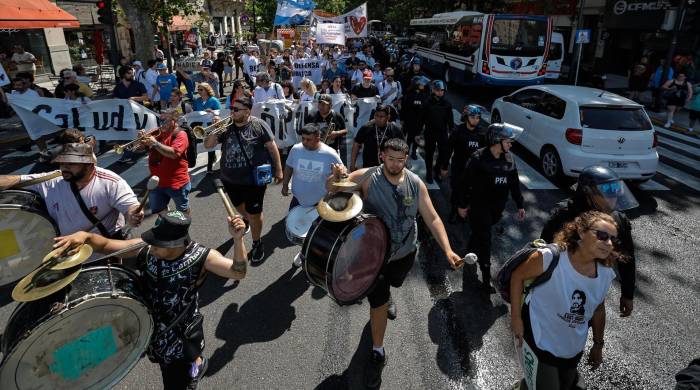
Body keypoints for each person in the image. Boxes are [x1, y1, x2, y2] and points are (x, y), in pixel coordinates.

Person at [53, 210, 248, 390]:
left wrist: (238, 240)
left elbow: (238, 272)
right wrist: (85, 236)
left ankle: (192, 372)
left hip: (178, 337)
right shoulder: (147, 249)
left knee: (175, 380)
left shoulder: (203, 257)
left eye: (158, 244)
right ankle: (196, 363)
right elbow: (105, 245)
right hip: (152, 331)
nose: (151, 246)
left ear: (175, 244)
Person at [327, 138, 463, 388]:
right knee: (378, 298)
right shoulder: (367, 176)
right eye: (390, 159)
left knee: (393, 285)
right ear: (381, 156)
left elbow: (432, 218)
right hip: (373, 256)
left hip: (405, 253)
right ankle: (378, 350)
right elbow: (335, 191)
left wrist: (448, 250)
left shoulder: (415, 183)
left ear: (406, 159)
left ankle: (387, 296)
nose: (395, 164)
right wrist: (335, 178)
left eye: (400, 160)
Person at [511, 211, 622, 390]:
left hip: (572, 349)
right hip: (540, 340)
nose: (608, 243)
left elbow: (598, 309)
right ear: (580, 232)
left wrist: (598, 345)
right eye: (602, 235)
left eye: (613, 240)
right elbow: (517, 276)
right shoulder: (549, 257)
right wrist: (516, 319)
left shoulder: (605, 274)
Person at [540, 165, 639, 317]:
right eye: (607, 191)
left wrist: (628, 294)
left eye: (615, 190)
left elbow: (627, 258)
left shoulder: (617, 220)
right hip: (560, 284)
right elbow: (543, 253)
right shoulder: (564, 214)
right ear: (588, 193)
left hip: (592, 285)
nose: (613, 197)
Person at [0, 143, 143, 239]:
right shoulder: (52, 180)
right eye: (62, 163)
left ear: (89, 165)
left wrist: (132, 214)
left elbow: (130, 206)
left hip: (104, 252)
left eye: (71, 164)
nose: (64, 168)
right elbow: (16, 180)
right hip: (66, 253)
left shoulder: (110, 182)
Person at [203, 96, 283, 263]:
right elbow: (208, 145)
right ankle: (248, 220)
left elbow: (271, 146)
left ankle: (256, 242)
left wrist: (278, 170)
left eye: (236, 109)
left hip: (254, 181)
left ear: (247, 112)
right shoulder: (226, 127)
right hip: (230, 179)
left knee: (254, 213)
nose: (232, 112)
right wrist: (215, 128)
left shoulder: (259, 125)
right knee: (240, 208)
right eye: (232, 108)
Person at [457, 123, 526, 288]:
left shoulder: (509, 159)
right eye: (508, 141)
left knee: (479, 234)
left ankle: (469, 252)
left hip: (497, 209)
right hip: (480, 207)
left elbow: (514, 184)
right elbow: (464, 184)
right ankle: (486, 279)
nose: (511, 144)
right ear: (496, 140)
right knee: (486, 240)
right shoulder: (477, 158)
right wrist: (461, 205)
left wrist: (520, 204)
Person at [282, 123, 342, 267]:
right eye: (303, 138)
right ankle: (303, 251)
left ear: (318, 137)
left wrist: (338, 174)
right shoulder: (296, 149)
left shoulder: (330, 154)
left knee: (317, 235)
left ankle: (310, 256)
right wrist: (285, 184)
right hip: (298, 200)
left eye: (309, 139)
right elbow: (289, 166)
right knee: (300, 230)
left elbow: (342, 174)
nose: (304, 142)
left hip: (320, 203)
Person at [141, 109, 191, 214]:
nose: (161, 124)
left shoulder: (181, 134)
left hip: (176, 182)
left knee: (183, 210)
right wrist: (141, 141)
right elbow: (140, 149)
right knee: (159, 210)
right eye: (160, 120)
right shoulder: (156, 132)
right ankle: (165, 224)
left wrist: (155, 144)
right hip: (156, 182)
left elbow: (173, 154)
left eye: (165, 121)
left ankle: (184, 227)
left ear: (174, 120)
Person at [443, 104, 487, 222]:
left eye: (478, 118)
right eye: (473, 117)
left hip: (474, 171)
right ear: (466, 117)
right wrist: (444, 166)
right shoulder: (457, 131)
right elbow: (449, 149)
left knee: (469, 192)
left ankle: (463, 211)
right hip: (458, 167)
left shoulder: (482, 134)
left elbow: (486, 152)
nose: (475, 120)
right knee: (456, 190)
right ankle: (454, 210)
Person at [351, 104, 404, 171]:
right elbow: (356, 144)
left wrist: (402, 164)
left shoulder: (395, 129)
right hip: (369, 168)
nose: (378, 119)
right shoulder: (366, 128)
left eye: (381, 117)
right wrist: (352, 164)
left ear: (388, 117)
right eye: (376, 115)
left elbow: (403, 148)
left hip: (388, 168)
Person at [421, 80, 453, 183]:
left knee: (443, 153)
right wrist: (419, 132)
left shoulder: (447, 104)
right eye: (438, 90)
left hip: (442, 132)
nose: (440, 92)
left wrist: (451, 129)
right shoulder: (427, 103)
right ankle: (429, 173)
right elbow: (421, 118)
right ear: (433, 90)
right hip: (430, 132)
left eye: (442, 90)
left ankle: (437, 169)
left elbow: (450, 119)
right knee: (429, 153)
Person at [305, 94, 347, 158]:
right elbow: (305, 132)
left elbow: (345, 130)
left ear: (330, 105)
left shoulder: (336, 116)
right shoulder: (311, 116)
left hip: (332, 151)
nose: (321, 106)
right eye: (320, 103)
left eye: (324, 104)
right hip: (314, 151)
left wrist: (337, 133)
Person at [401, 76, 430, 160]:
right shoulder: (408, 94)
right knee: (409, 138)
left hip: (419, 121)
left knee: (416, 137)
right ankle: (406, 152)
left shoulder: (424, 95)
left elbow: (425, 109)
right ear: (416, 84)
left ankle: (413, 152)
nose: (423, 85)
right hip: (409, 120)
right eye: (421, 84)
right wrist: (402, 119)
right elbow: (403, 108)